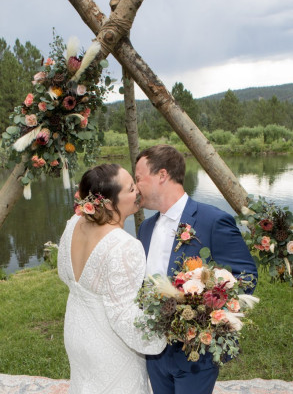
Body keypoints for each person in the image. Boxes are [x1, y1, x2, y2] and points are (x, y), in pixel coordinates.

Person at [135, 144, 258, 394]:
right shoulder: (145, 229)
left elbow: (246, 275)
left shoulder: (212, 220)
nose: (136, 187)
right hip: (154, 351)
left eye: (138, 178)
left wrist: (206, 302)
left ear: (162, 175)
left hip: (194, 353)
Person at [57, 163, 166, 394]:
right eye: (130, 189)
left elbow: (64, 274)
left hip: (76, 330)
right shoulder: (125, 246)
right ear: (107, 203)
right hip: (108, 343)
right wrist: (162, 330)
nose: (138, 191)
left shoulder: (72, 224)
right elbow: (123, 316)